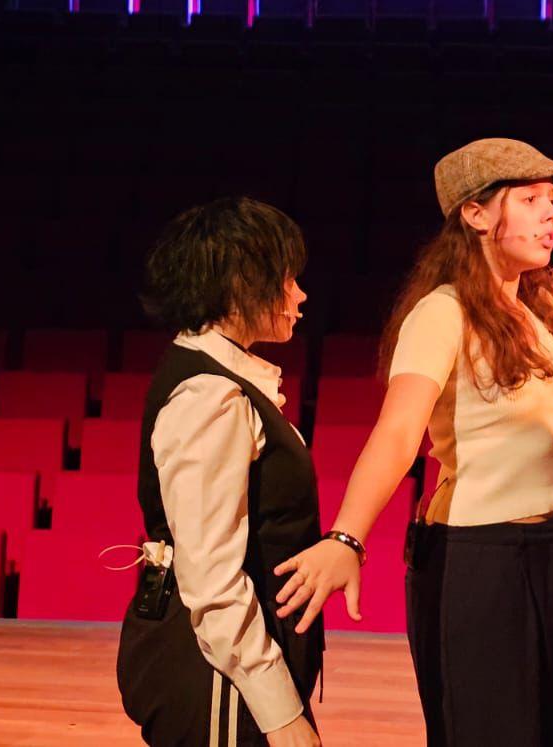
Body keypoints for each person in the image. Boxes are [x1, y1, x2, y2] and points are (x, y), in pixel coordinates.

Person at [270, 130, 553, 746]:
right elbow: (398, 431)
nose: (550, 214)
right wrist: (347, 537)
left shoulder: (535, 308)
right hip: (477, 557)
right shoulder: (442, 313)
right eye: (531, 199)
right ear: (476, 213)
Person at [116, 197, 322, 747]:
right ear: (240, 286)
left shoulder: (226, 382)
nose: (300, 295)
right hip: (219, 683)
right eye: (287, 279)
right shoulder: (210, 395)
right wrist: (282, 716)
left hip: (234, 676)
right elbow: (211, 582)